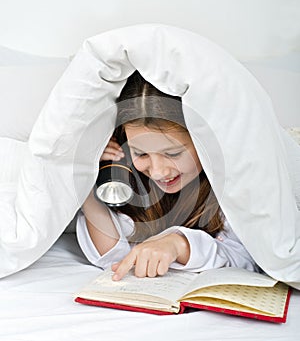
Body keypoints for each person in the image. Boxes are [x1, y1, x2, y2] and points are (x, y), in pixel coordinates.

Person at [76, 70, 259, 281]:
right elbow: (114, 258)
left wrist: (179, 244)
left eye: (172, 154)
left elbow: (248, 260)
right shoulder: (129, 181)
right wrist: (89, 175)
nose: (157, 171)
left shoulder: (232, 185)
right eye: (141, 153)